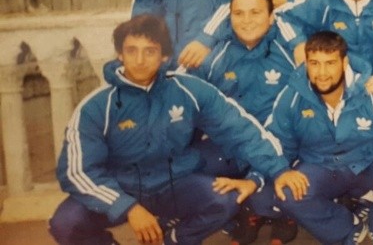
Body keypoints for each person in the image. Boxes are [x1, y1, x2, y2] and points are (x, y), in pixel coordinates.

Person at [48, 14, 308, 245]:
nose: (139, 60)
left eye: (150, 51)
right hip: (120, 185)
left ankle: (175, 239)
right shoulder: (96, 105)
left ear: (165, 57)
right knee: (65, 223)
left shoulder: (188, 89)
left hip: (173, 181)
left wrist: (280, 170)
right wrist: (127, 207)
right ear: (119, 54)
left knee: (224, 201)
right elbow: (76, 170)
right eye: (131, 51)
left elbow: (240, 129)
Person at [255, 31, 373, 245]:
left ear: (344, 62)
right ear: (306, 64)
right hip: (322, 163)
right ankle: (346, 226)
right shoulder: (292, 96)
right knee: (288, 192)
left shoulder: (372, 90)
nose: (322, 72)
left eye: (330, 63)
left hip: (371, 160)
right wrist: (277, 172)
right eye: (315, 63)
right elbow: (275, 140)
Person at [192, 0, 299, 244]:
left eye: (255, 12)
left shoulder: (289, 53)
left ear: (272, 17)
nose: (246, 20)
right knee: (187, 169)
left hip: (281, 145)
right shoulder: (216, 56)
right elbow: (192, 101)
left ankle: (282, 214)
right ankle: (239, 211)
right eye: (238, 13)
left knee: (275, 194)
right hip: (234, 145)